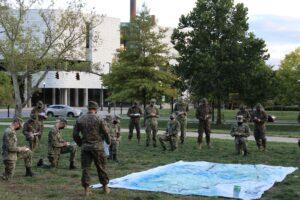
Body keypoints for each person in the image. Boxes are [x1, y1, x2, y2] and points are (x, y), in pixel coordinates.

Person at [73, 101, 111, 196]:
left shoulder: (80, 119)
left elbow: (75, 134)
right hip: (98, 147)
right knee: (101, 167)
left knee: (86, 168)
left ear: (88, 108)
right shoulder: (99, 118)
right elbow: (106, 132)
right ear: (96, 109)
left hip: (85, 147)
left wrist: (80, 143)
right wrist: (108, 141)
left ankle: (86, 189)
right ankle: (105, 188)